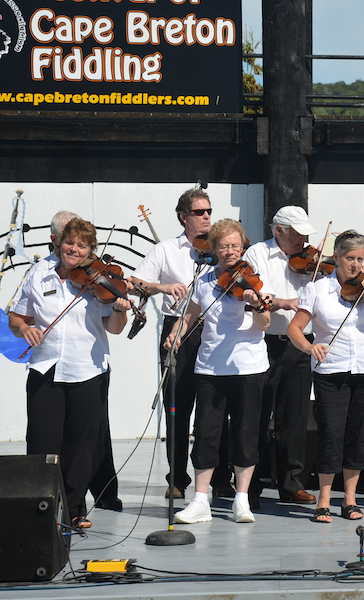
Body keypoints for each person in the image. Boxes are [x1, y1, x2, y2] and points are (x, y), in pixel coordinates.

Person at [9, 218, 131, 529]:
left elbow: (114, 329)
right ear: (58, 242)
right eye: (69, 242)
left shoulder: (100, 281)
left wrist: (119, 308)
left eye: (82, 245)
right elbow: (16, 317)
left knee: (82, 445)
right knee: (42, 442)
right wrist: (26, 328)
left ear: (91, 250)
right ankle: (42, 509)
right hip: (46, 368)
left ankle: (75, 510)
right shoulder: (38, 273)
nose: (73, 249)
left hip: (88, 370)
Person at [287, 230, 364, 523]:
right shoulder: (317, 290)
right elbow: (295, 329)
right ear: (337, 258)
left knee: (359, 433)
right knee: (331, 434)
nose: (356, 265)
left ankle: (350, 499)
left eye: (360, 258)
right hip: (331, 370)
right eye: (350, 258)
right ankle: (325, 498)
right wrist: (309, 346)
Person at [167, 219, 272, 524]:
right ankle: (200, 500)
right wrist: (176, 333)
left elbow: (264, 325)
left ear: (243, 247)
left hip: (248, 367)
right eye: (223, 245)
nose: (229, 251)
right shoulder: (203, 280)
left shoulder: (255, 280)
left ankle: (241, 499)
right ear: (212, 248)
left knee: (245, 433)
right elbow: (188, 316)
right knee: (206, 434)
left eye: (235, 245)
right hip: (210, 368)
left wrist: (257, 306)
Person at [129, 187, 232, 500]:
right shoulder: (166, 250)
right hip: (179, 328)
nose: (206, 218)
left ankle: (220, 478)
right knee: (177, 406)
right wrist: (162, 287)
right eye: (199, 212)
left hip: (215, 329)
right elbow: (135, 283)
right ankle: (176, 478)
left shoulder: (220, 249)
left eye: (209, 212)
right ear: (183, 216)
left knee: (216, 407)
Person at [243, 206, 318, 506]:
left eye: (305, 235)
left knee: (296, 414)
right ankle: (252, 485)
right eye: (298, 235)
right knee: (258, 414)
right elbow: (255, 295)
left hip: (300, 342)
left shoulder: (309, 260)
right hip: (266, 341)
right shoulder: (257, 254)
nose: (304, 242)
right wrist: (285, 302)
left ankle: (291, 483)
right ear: (279, 231)